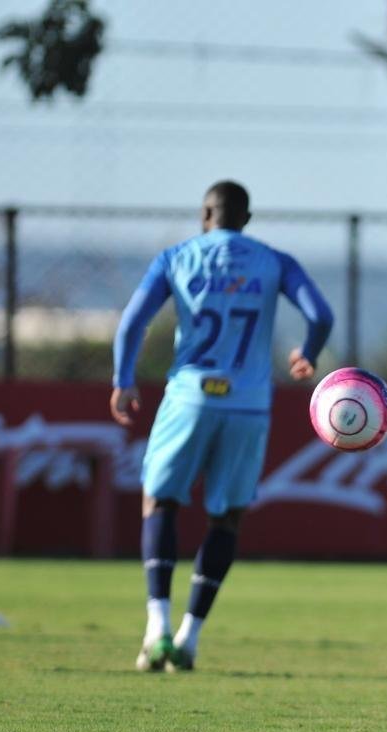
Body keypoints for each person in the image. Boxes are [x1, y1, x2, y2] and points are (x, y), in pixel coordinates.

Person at [111, 180, 334, 672]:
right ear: (247, 219)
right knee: (227, 517)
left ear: (203, 214)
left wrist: (124, 379)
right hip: (249, 403)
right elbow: (321, 314)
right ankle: (190, 636)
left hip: (190, 395)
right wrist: (308, 353)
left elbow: (132, 322)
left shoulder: (176, 257)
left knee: (160, 499)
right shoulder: (274, 260)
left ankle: (157, 627)